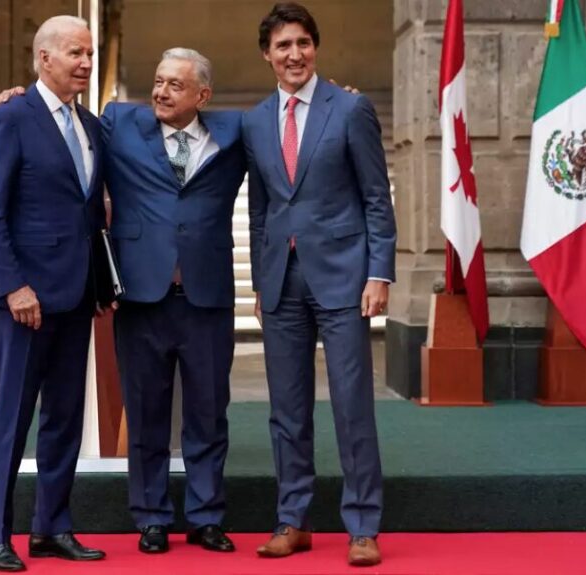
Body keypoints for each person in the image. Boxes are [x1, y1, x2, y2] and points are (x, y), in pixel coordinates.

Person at [0, 47, 246, 556]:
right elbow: (58, 123)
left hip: (207, 297)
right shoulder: (118, 123)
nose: (161, 92)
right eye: (158, 81)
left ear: (203, 96)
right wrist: (18, 97)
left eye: (176, 85)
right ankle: (152, 518)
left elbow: (291, 123)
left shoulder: (237, 132)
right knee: (146, 414)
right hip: (142, 296)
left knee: (208, 414)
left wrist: (340, 97)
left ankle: (205, 517)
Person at [242, 2, 396, 567]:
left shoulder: (350, 108)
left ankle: (362, 526)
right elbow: (260, 210)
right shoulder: (255, 121)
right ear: (267, 55)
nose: (294, 54)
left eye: (303, 43)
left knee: (352, 405)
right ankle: (293, 520)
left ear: (315, 48)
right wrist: (262, 281)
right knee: (286, 410)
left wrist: (379, 272)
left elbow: (376, 198)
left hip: (345, 279)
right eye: (283, 45)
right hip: (281, 283)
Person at [0, 14, 109, 572]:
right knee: (13, 419)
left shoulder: (91, 124)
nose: (86, 62)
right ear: (43, 58)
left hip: (76, 297)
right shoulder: (11, 117)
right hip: (23, 302)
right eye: (76, 52)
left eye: (90, 53)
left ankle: (52, 527)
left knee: (64, 419)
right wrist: (13, 287)